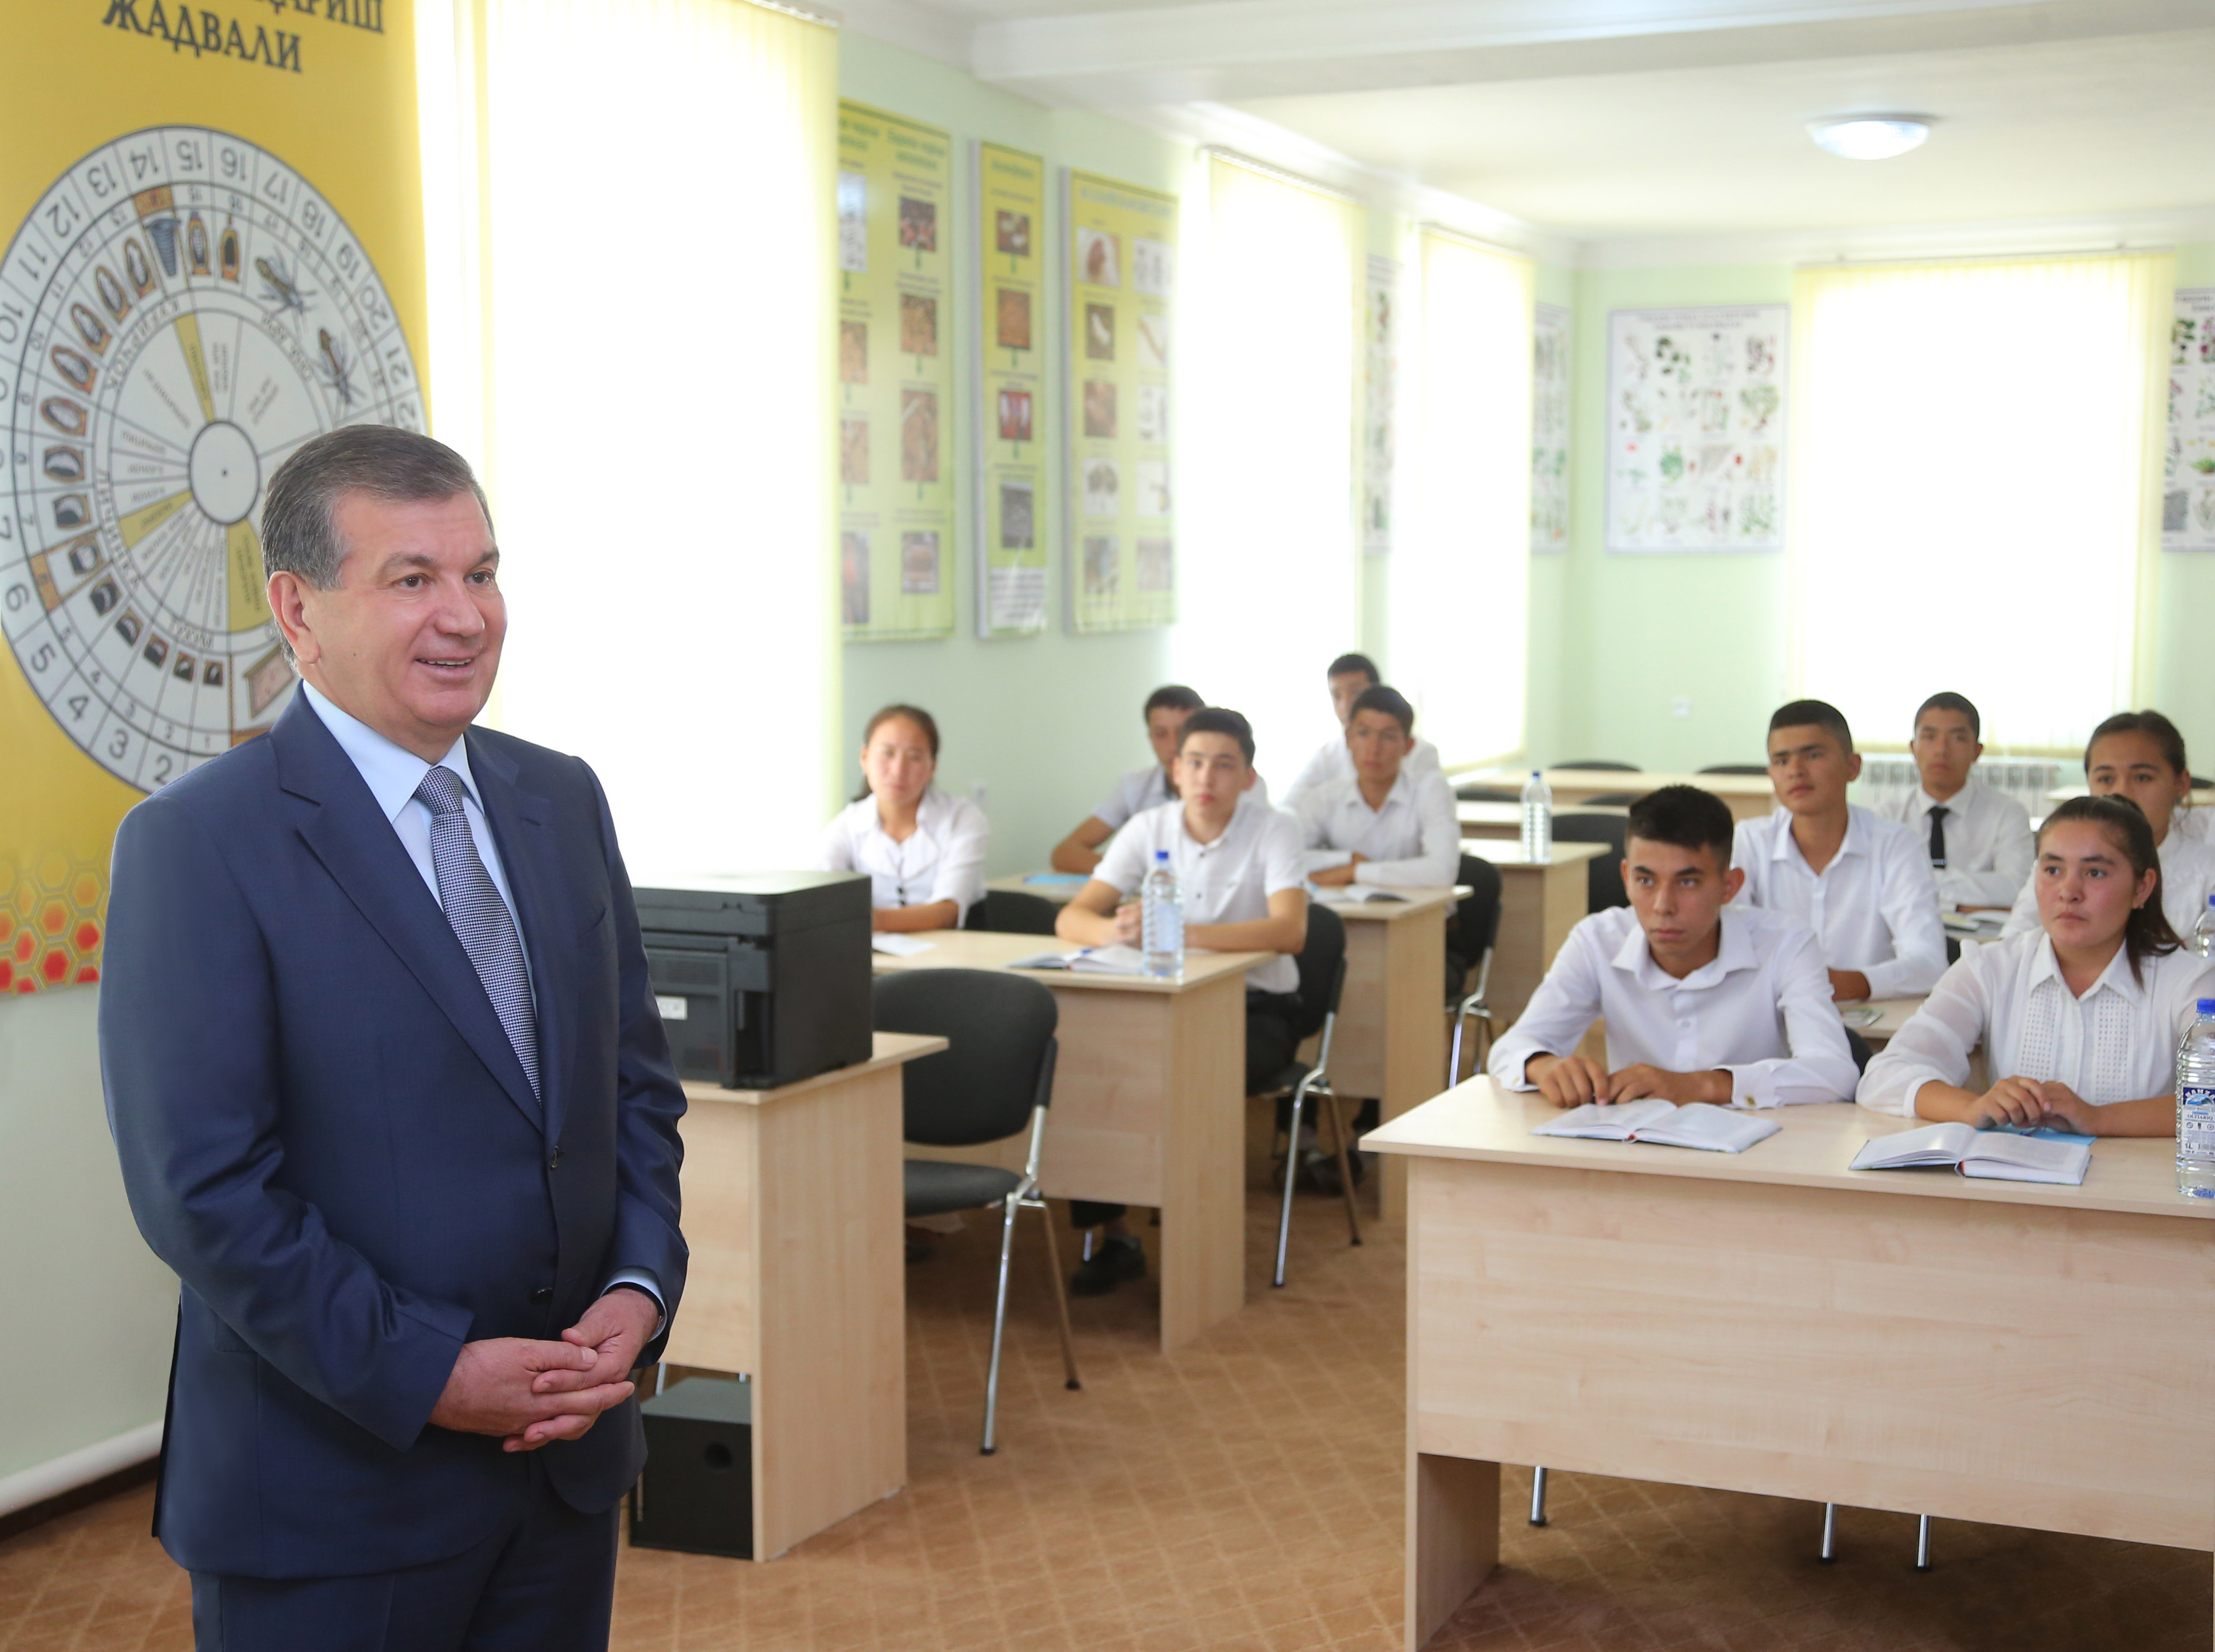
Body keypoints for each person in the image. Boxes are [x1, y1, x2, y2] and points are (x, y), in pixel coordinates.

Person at [99, 427, 686, 1652]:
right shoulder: (202, 843)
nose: (465, 616)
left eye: (482, 571)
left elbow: (630, 1089)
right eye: (411, 578)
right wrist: (433, 1371)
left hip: (563, 1471)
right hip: (335, 1497)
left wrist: (636, 1288)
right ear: (297, 609)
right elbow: (204, 1190)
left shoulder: (559, 796)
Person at [1053, 708, 1308, 1295]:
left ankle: (1199, 1236)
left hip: (1257, 1008)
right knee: (1093, 1074)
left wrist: (1182, 931)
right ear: (1174, 770)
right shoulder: (1149, 828)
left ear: (1247, 777)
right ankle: (1116, 1236)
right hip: (1162, 1005)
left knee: (1189, 1079)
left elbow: (1289, 931)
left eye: (1224, 766)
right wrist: (1114, 933)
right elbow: (1074, 916)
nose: (1206, 778)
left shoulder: (1275, 829)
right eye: (1194, 763)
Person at [1860, 796, 2214, 1134]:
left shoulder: (2188, 981)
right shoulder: (1990, 968)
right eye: (2053, 869)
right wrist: (1974, 1107)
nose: (2068, 890)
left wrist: (2097, 1119)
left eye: (2095, 873)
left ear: (2142, 887)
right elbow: (1885, 1076)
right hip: (2018, 1187)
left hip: (2134, 1192)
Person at [1489, 785, 1858, 1108]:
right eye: (1646, 880)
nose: (1663, 905)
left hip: (1755, 1156)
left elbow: (1834, 1072)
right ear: (1625, 878)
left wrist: (1700, 1084)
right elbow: (1511, 1047)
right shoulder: (1596, 940)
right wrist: (1543, 1064)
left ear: (1730, 886)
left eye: (1688, 883)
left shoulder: (1786, 944)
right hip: (1635, 1150)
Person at [1732, 698, 1947, 1001]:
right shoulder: (1750, 841)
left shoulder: (1895, 845)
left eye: (1813, 755)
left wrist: (1842, 984)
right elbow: (1728, 946)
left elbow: (1929, 964)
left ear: (1852, 767)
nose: (1795, 771)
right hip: (1770, 1016)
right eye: (1782, 761)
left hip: (1867, 1023)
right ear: (1771, 775)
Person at [1998, 710, 2215, 943]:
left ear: (2181, 784)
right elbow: (2012, 943)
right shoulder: (2063, 861)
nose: (2121, 792)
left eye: (2142, 778)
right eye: (2106, 779)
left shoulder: (2205, 869)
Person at [820, 704, 987, 932]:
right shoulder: (846, 826)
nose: (899, 770)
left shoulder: (962, 819)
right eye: (887, 754)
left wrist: (863, 920)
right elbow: (821, 902)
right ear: (865, 758)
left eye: (915, 757)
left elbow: (949, 912)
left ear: (932, 768)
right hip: (874, 958)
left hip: (954, 959)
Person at [1292, 684, 1459, 890]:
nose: (1373, 749)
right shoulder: (1326, 797)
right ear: (1348, 739)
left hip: (1421, 917)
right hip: (1348, 913)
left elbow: (1441, 872)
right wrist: (1348, 859)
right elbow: (1286, 857)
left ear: (1408, 747)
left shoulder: (1431, 791)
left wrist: (1354, 872)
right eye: (1363, 734)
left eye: (1388, 737)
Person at [1879, 691, 2034, 911]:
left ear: (1977, 751)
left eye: (1957, 738)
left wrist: (1920, 884)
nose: (1942, 750)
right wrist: (1960, 903)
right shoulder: (1887, 816)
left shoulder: (2008, 814)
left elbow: (2017, 888)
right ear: (1913, 748)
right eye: (1930, 737)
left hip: (1983, 940)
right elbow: (1875, 885)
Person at [1050, 684, 1202, 874]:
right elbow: (1065, 853)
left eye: (1182, 733)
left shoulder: (1232, 787)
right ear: (1150, 738)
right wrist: (1128, 872)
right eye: (1161, 734)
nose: (1173, 745)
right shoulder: (1136, 786)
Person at [1280, 651, 1442, 806]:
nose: (1346, 705)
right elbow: (1290, 806)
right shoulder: (1327, 756)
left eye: (1356, 693)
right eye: (1337, 696)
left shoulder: (1422, 754)